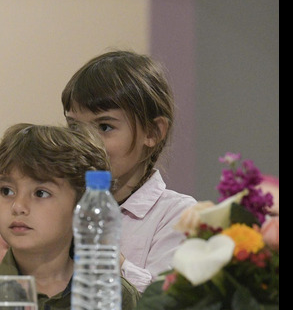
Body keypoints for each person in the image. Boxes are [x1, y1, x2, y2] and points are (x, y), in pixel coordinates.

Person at [0, 123, 141, 310]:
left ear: (81, 206)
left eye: (41, 193)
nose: (18, 207)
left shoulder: (115, 297)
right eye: (6, 191)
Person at [62, 50, 198, 293]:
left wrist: (110, 259)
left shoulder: (178, 215)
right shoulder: (62, 205)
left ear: (153, 132)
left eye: (104, 126)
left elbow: (168, 308)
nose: (84, 141)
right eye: (74, 127)